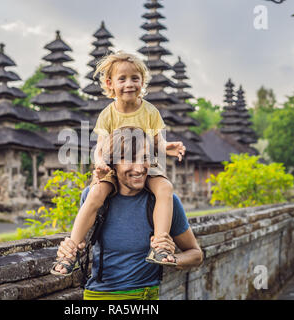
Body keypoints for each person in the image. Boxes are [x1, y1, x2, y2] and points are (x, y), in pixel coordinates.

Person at [51, 51, 187, 275]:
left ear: (142, 82)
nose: (129, 84)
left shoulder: (150, 111)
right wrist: (100, 165)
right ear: (109, 84)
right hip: (116, 166)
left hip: (147, 165)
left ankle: (160, 245)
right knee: (95, 194)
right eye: (122, 79)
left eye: (135, 78)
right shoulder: (107, 114)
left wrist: (167, 147)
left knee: (165, 188)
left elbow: (157, 141)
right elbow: (101, 148)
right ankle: (70, 251)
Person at [54, 127, 203, 300]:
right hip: (97, 295)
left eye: (145, 158)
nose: (139, 168)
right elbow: (81, 244)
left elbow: (196, 255)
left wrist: (172, 259)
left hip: (143, 297)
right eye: (130, 160)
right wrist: (69, 249)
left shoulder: (163, 201)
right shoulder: (94, 196)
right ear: (113, 163)